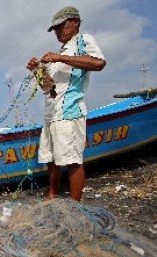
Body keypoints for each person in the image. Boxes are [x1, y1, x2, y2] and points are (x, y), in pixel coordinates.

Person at [26, 6, 106, 201]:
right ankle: (52, 195)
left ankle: (75, 205)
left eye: (61, 26)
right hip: (51, 114)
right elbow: (49, 88)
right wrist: (37, 72)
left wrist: (59, 57)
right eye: (55, 29)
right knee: (51, 159)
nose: (58, 31)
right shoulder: (61, 52)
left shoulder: (83, 40)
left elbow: (99, 63)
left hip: (70, 113)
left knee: (72, 160)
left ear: (75, 22)